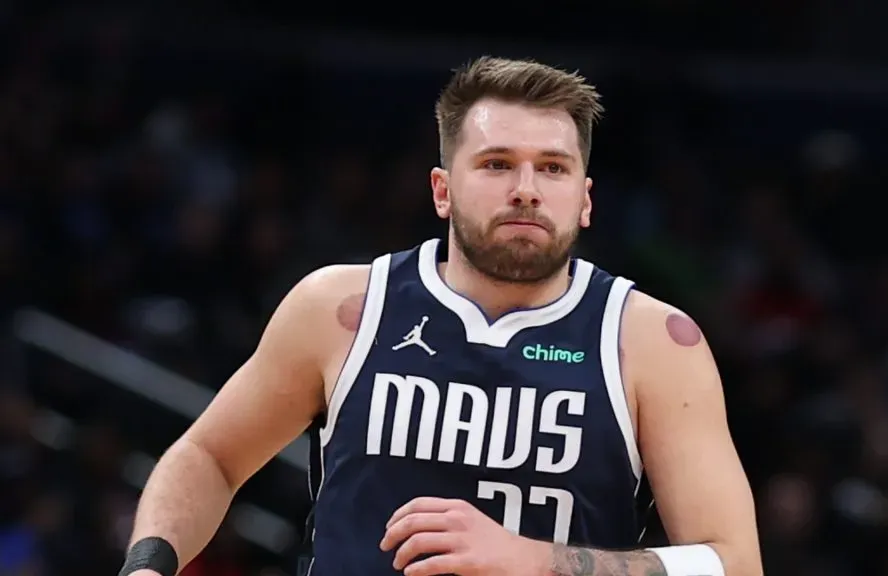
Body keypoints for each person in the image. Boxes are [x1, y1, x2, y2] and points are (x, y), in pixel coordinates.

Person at [120, 56, 763, 576]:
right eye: (496, 163)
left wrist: (535, 560)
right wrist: (148, 566)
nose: (527, 188)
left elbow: (732, 562)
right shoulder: (342, 308)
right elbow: (209, 456)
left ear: (585, 199)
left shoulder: (651, 342)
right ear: (442, 189)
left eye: (554, 168)